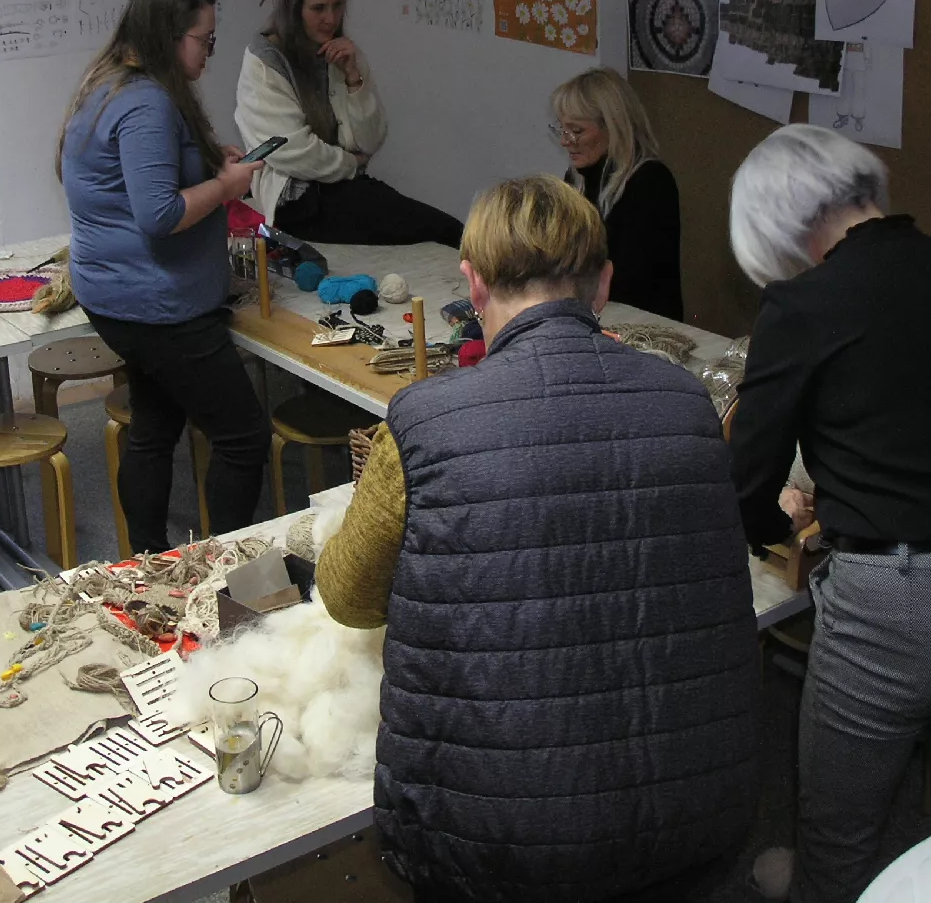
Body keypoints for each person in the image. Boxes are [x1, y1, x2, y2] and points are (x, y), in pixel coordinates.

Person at [318, 175, 758, 903]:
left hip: (495, 841)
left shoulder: (425, 422)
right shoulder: (689, 404)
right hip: (697, 814)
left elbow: (347, 596)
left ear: (473, 283)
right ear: (604, 284)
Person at [726, 125, 931, 903]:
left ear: (777, 222)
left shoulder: (802, 304)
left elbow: (747, 482)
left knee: (840, 833)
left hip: (895, 604)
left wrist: (781, 528)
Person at [60, 0, 271, 555]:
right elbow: (159, 214)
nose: (210, 51)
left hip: (116, 295)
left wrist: (206, 161)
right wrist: (227, 186)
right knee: (243, 436)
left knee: (155, 425)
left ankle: (147, 559)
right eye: (205, 40)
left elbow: (146, 172)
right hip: (156, 304)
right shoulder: (147, 102)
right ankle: (222, 572)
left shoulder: (112, 82)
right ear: (170, 36)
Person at [235, 0, 461, 246]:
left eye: (338, 5)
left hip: (339, 184)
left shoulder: (340, 52)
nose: (331, 18)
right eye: (318, 8)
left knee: (447, 230)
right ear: (294, 9)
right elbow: (291, 151)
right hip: (298, 201)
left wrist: (354, 78)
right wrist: (351, 164)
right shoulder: (264, 63)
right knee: (444, 231)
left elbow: (371, 140)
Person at [551, 66, 683, 320]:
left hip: (641, 323)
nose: (564, 141)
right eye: (562, 129)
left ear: (613, 127)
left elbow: (631, 281)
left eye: (577, 131)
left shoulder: (650, 182)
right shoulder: (577, 178)